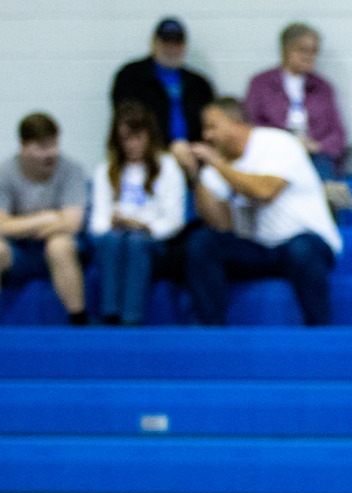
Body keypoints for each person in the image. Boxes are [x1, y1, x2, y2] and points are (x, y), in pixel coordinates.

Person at [180, 98, 340, 326]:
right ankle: (211, 333)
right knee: (202, 242)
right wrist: (196, 175)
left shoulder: (277, 143)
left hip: (304, 241)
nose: (207, 136)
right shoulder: (219, 164)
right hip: (257, 247)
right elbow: (221, 224)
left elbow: (264, 191)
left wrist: (217, 164)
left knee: (301, 250)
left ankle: (319, 333)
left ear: (235, 123)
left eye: (212, 127)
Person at [88, 101, 186, 325]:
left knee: (135, 242)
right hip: (116, 237)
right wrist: (114, 222)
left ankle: (132, 317)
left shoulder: (168, 167)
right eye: (126, 139)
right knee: (112, 240)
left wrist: (144, 226)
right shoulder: (106, 170)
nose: (132, 145)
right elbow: (97, 222)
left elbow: (174, 220)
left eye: (138, 137)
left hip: (153, 242)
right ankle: (110, 313)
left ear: (150, 136)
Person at [0, 113, 89, 325]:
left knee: (59, 245)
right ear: (23, 146)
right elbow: (1, 225)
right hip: (18, 252)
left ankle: (78, 319)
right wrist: (45, 218)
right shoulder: (5, 173)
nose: (50, 153)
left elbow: (72, 222)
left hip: (59, 247)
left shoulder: (71, 170)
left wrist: (19, 225)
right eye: (42, 147)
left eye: (53, 144)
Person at [245, 23, 349, 184]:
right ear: (285, 50)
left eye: (314, 51)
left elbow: (337, 134)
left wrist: (316, 146)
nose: (309, 56)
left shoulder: (323, 87)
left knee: (321, 180)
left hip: (314, 157)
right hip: (274, 155)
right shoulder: (261, 84)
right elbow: (251, 126)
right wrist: (284, 143)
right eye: (303, 50)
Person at [110, 18, 215, 168]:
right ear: (154, 44)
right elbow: (128, 120)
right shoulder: (131, 77)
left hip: (193, 158)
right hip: (147, 158)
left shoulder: (199, 84)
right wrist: (167, 150)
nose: (171, 48)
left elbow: (210, 124)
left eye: (177, 42)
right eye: (166, 42)